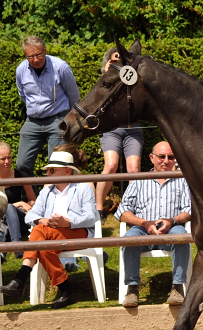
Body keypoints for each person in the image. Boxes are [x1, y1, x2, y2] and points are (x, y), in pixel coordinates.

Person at [0, 147, 97, 308]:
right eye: (48, 170)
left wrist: (68, 221)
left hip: (77, 232)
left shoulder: (83, 188)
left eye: (52, 170)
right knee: (44, 245)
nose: (48, 174)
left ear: (67, 171)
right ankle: (66, 291)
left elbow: (91, 216)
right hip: (50, 233)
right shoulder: (47, 192)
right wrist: (42, 220)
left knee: (39, 234)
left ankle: (21, 278)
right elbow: (31, 215)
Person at [115, 141, 192, 308]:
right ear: (151, 158)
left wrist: (172, 220)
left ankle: (178, 287)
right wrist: (144, 223)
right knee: (129, 238)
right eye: (161, 156)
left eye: (170, 157)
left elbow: (189, 210)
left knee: (182, 237)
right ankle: (132, 289)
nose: (165, 160)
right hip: (142, 229)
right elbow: (122, 212)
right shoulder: (138, 180)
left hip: (172, 227)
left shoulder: (182, 180)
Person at [15, 36, 80, 177]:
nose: (35, 59)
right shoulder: (21, 70)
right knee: (21, 164)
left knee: (57, 165)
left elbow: (74, 95)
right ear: (25, 56)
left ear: (45, 50)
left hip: (58, 119)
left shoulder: (60, 67)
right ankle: (30, 198)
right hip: (32, 121)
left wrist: (69, 120)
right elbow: (23, 95)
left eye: (38, 55)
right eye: (30, 56)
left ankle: (55, 198)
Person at [95, 48, 144, 225]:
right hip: (111, 130)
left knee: (133, 169)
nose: (119, 64)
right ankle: (98, 208)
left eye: (121, 61)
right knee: (111, 165)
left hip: (133, 129)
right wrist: (108, 73)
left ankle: (132, 207)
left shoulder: (133, 81)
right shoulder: (105, 83)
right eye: (115, 61)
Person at [0, 141, 36, 261]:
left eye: (9, 157)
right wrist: (20, 203)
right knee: (9, 207)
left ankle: (16, 244)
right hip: (1, 219)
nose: (7, 162)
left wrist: (25, 205)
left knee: (10, 208)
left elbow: (32, 201)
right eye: (3, 159)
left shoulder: (20, 175)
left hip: (18, 220)